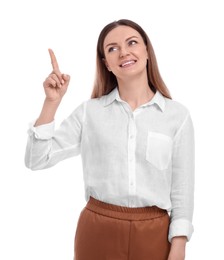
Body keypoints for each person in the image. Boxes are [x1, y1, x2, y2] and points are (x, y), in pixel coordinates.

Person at [25, 19, 195, 260]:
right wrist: (51, 103)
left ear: (147, 50)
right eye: (112, 48)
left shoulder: (177, 116)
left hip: (155, 233)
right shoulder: (89, 113)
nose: (123, 52)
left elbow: (182, 189)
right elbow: (36, 159)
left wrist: (179, 246)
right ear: (107, 64)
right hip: (97, 231)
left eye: (132, 43)